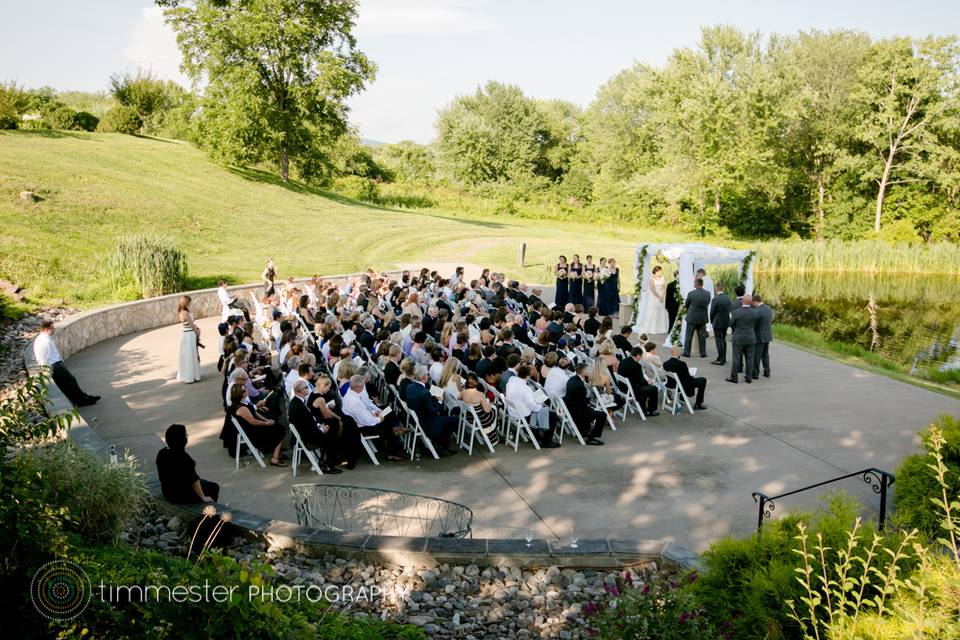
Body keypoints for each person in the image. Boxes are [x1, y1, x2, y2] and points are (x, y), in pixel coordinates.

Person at [32, 320, 100, 406]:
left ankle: (83, 397)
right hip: (54, 365)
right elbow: (42, 358)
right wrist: (48, 369)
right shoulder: (44, 341)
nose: (54, 330)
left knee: (68, 383)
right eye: (52, 328)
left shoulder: (45, 339)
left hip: (56, 363)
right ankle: (81, 401)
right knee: (70, 381)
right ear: (47, 329)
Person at [288, 379, 342, 474]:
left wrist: (319, 426)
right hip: (308, 438)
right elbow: (306, 428)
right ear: (300, 391)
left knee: (331, 428)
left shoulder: (297, 402)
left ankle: (326, 461)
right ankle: (327, 465)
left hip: (308, 433)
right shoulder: (298, 406)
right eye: (305, 387)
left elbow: (307, 422)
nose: (308, 388)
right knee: (332, 436)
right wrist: (321, 430)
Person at [156, 423, 219, 503]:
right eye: (186, 435)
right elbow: (194, 480)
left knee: (205, 483)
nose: (187, 436)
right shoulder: (184, 458)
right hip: (181, 495)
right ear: (181, 439)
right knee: (214, 487)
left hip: (167, 491)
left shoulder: (162, 453)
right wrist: (203, 497)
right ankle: (209, 511)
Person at [404, 365, 458, 456]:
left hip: (416, 419)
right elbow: (432, 412)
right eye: (427, 374)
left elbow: (420, 401)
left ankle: (440, 441)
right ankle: (443, 446)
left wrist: (432, 399)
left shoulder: (409, 387)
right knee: (453, 420)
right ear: (423, 377)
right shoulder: (425, 393)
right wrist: (440, 402)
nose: (428, 376)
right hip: (427, 423)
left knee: (445, 417)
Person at [227, 384, 286, 466]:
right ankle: (275, 459)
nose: (246, 391)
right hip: (252, 432)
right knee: (280, 430)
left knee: (276, 423)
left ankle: (277, 452)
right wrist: (267, 423)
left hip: (253, 427)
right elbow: (253, 421)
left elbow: (254, 412)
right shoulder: (241, 408)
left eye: (246, 389)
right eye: (244, 390)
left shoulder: (243, 401)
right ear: (238, 394)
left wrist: (266, 420)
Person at [505, 365, 559, 448]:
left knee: (544, 409)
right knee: (552, 415)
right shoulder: (525, 388)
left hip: (512, 412)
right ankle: (546, 442)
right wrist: (541, 406)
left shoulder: (511, 381)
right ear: (528, 376)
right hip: (523, 416)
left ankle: (536, 435)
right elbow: (533, 407)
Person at [565, 362, 606, 445]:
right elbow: (582, 403)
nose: (588, 371)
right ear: (583, 371)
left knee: (591, 410)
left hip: (571, 407)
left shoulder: (571, 379)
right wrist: (590, 408)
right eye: (587, 370)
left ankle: (583, 430)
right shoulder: (580, 385)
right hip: (577, 412)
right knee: (602, 415)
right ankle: (592, 438)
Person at [617, 346, 660, 416]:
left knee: (647, 387)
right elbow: (641, 381)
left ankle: (643, 405)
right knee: (654, 389)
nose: (640, 358)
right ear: (637, 356)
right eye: (640, 356)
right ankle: (651, 410)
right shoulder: (637, 365)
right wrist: (648, 382)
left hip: (622, 387)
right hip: (631, 389)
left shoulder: (623, 361)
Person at [662, 346, 707, 410]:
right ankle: (698, 403)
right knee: (703, 380)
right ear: (677, 353)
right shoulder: (682, 364)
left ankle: (682, 398)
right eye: (679, 352)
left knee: (684, 379)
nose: (680, 353)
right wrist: (692, 376)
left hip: (671, 385)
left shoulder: (665, 363)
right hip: (680, 386)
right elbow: (688, 379)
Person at [461, 373, 499, 446]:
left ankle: (492, 434)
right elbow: (487, 410)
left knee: (491, 410)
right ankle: (492, 436)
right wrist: (490, 405)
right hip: (479, 420)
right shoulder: (479, 394)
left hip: (469, 417)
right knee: (494, 410)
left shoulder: (464, 392)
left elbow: (459, 398)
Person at [728, 294, 758, 384]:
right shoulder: (755, 312)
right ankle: (749, 377)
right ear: (750, 302)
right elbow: (755, 324)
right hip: (750, 338)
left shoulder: (736, 312)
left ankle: (734, 377)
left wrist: (736, 331)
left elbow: (732, 324)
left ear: (742, 301)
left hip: (739, 338)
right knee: (750, 358)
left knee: (736, 358)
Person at [636, 265, 670, 335]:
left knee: (660, 311)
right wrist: (659, 297)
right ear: (656, 272)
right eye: (659, 271)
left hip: (661, 296)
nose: (661, 273)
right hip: (654, 297)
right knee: (653, 312)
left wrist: (662, 296)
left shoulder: (662, 278)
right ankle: (651, 328)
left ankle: (660, 328)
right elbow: (652, 290)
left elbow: (664, 287)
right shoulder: (652, 279)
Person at [683, 278, 711, 358]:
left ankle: (687, 352)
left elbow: (687, 304)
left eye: (694, 283)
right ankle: (703, 353)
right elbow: (707, 303)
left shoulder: (691, 293)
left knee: (689, 336)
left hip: (692, 317)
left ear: (697, 284)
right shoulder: (707, 293)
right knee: (702, 336)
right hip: (702, 318)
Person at [177, 295, 202, 384]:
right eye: (189, 302)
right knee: (191, 354)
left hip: (187, 334)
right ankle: (192, 376)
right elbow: (191, 325)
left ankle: (192, 375)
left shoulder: (182, 311)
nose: (190, 304)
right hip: (189, 334)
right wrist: (197, 333)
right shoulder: (185, 313)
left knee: (190, 354)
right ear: (186, 303)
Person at [709, 282, 733, 366]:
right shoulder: (728, 298)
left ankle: (720, 359)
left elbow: (712, 312)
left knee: (719, 341)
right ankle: (723, 358)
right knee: (723, 340)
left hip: (717, 322)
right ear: (723, 289)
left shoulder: (715, 299)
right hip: (725, 322)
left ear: (716, 289)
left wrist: (712, 321)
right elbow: (730, 310)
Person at [752, 294, 774, 379]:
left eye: (753, 303)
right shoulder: (769, 309)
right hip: (767, 335)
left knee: (756, 356)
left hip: (759, 336)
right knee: (765, 354)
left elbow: (755, 324)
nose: (752, 305)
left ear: (755, 301)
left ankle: (755, 373)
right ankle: (767, 371)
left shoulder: (757, 311)